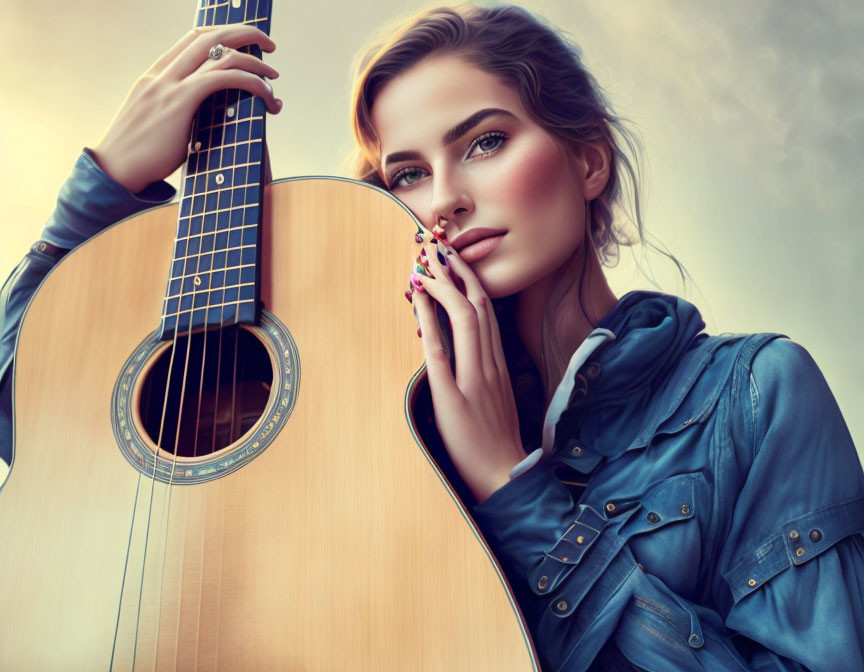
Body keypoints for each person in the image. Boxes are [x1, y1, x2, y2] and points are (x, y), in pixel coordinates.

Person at [1, 3, 862, 670]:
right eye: (407, 173)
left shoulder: (754, 392)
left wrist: (512, 490)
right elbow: (56, 464)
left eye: (484, 143)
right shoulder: (354, 407)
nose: (444, 198)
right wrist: (103, 187)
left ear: (589, 160)